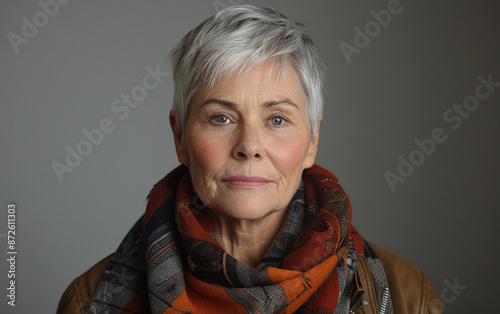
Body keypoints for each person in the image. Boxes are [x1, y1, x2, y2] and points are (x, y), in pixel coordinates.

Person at [57, 5, 441, 313]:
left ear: (312, 142)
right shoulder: (85, 301)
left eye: (277, 119)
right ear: (180, 137)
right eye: (221, 118)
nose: (249, 145)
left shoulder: (409, 297)